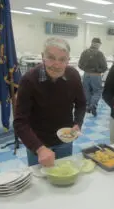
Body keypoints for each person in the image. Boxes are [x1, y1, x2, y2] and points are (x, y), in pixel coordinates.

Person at [14, 37, 86, 167]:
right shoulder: (29, 80)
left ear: (68, 60)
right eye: (51, 58)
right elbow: (20, 122)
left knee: (64, 176)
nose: (57, 64)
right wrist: (39, 148)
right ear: (43, 57)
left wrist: (77, 123)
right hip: (37, 141)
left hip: (65, 140)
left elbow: (81, 104)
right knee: (40, 183)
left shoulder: (73, 76)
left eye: (62, 59)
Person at [78, 37, 107, 117]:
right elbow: (104, 67)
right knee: (97, 91)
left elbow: (79, 65)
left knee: (86, 90)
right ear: (97, 44)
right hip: (96, 75)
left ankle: (87, 105)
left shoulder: (84, 52)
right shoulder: (99, 54)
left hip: (86, 74)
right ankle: (93, 105)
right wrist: (99, 70)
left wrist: (86, 70)